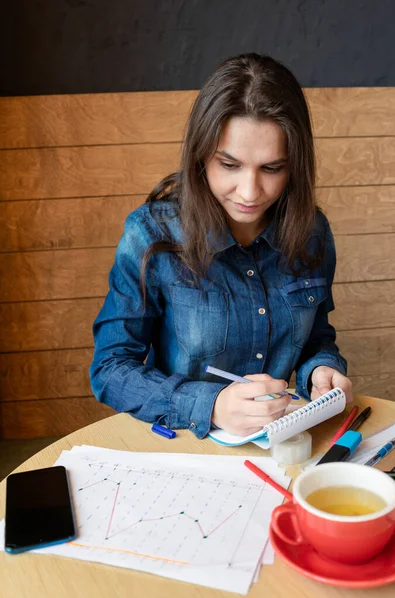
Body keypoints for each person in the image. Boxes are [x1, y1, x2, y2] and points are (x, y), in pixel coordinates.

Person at [90, 53, 352, 440]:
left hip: (280, 445)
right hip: (183, 446)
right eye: (229, 165)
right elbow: (110, 368)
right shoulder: (150, 234)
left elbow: (316, 337)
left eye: (272, 168)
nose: (249, 192)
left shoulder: (311, 232)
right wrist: (209, 406)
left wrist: (322, 369)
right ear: (201, 157)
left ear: (294, 165)